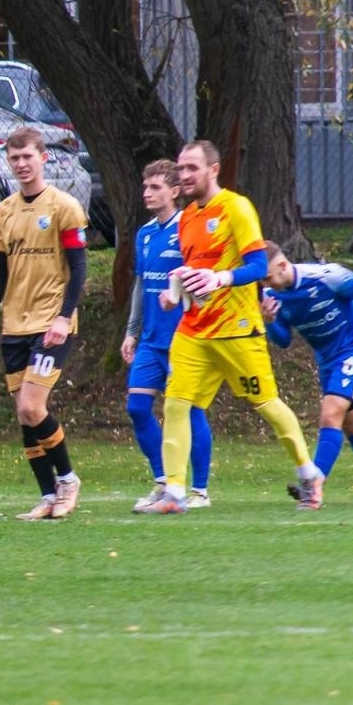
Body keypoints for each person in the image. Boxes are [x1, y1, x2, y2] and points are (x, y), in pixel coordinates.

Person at [142, 139, 322, 514]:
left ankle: (309, 473)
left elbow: (258, 266)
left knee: (265, 403)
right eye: (181, 168)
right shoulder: (187, 218)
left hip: (237, 330)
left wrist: (220, 278)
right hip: (194, 330)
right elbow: (196, 270)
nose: (184, 174)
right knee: (175, 404)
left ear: (213, 170)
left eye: (192, 168)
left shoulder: (236, 208)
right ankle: (175, 492)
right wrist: (176, 293)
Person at [0, 129, 89, 521]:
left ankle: (68, 480)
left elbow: (79, 268)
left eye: (27, 156)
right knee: (25, 415)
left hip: (51, 324)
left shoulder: (64, 207)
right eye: (14, 158)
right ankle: (47, 496)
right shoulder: (5, 211)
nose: (21, 164)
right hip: (14, 326)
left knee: (31, 406)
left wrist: (64, 317)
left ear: (43, 158)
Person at [259, 241, 353, 503]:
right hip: (326, 358)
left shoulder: (327, 276)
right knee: (352, 424)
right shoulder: (271, 296)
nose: (266, 284)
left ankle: (314, 484)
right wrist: (269, 322)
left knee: (330, 415)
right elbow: (284, 341)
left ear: (282, 265)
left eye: (268, 277)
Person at [120, 159, 214, 511]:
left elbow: (203, 284)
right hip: (150, 340)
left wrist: (180, 297)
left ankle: (199, 490)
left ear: (175, 191)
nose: (147, 193)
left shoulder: (188, 228)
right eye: (145, 187)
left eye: (155, 187)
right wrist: (131, 332)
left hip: (184, 338)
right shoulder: (145, 234)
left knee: (189, 411)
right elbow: (140, 284)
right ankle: (164, 481)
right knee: (137, 407)